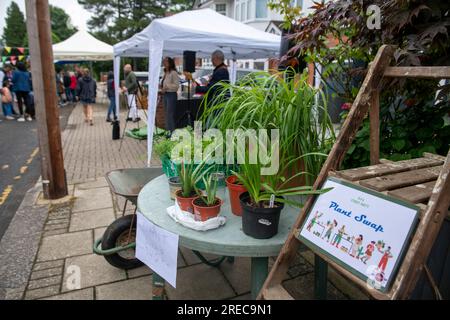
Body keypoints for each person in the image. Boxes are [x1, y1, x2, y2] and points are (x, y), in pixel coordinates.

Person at [161, 57, 180, 131]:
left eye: (166, 61)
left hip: (171, 95)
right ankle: (168, 131)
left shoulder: (174, 73)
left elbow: (176, 86)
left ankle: (172, 133)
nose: (164, 63)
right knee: (166, 115)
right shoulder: (165, 73)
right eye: (164, 61)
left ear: (170, 63)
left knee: (170, 115)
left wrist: (166, 87)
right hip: (165, 95)